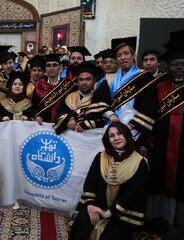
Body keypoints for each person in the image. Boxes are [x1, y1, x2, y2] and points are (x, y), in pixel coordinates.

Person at [70, 122, 149, 240]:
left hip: (123, 214)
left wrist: (108, 213)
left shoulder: (140, 163)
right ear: (108, 140)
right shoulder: (100, 157)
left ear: (127, 136)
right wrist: (91, 207)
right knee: (82, 224)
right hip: (97, 205)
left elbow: (133, 195)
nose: (116, 138)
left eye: (120, 134)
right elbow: (90, 184)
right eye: (112, 135)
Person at [147, 29, 184, 239]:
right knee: (157, 181)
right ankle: (156, 220)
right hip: (159, 147)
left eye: (182, 64)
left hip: (182, 151)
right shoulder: (158, 88)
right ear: (167, 67)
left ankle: (178, 226)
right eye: (174, 64)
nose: (179, 68)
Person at [103, 37, 158, 141]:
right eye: (119, 55)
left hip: (134, 132)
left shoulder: (146, 78)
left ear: (134, 55)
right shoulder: (109, 79)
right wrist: (111, 116)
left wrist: (129, 127)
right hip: (110, 129)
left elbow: (149, 108)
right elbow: (100, 101)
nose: (123, 57)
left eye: (126, 53)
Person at [53, 62, 115, 134]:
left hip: (94, 138)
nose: (84, 82)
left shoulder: (99, 97)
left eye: (88, 79)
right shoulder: (69, 97)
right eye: (81, 80)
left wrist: (86, 125)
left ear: (94, 81)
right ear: (77, 81)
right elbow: (62, 113)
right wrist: (70, 119)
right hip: (73, 139)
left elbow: (103, 117)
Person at [33, 54, 77, 124]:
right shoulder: (39, 85)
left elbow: (73, 106)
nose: (51, 68)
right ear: (45, 68)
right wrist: (38, 116)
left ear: (60, 67)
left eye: (55, 65)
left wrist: (71, 118)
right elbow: (34, 106)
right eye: (48, 65)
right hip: (43, 125)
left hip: (63, 126)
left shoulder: (68, 85)